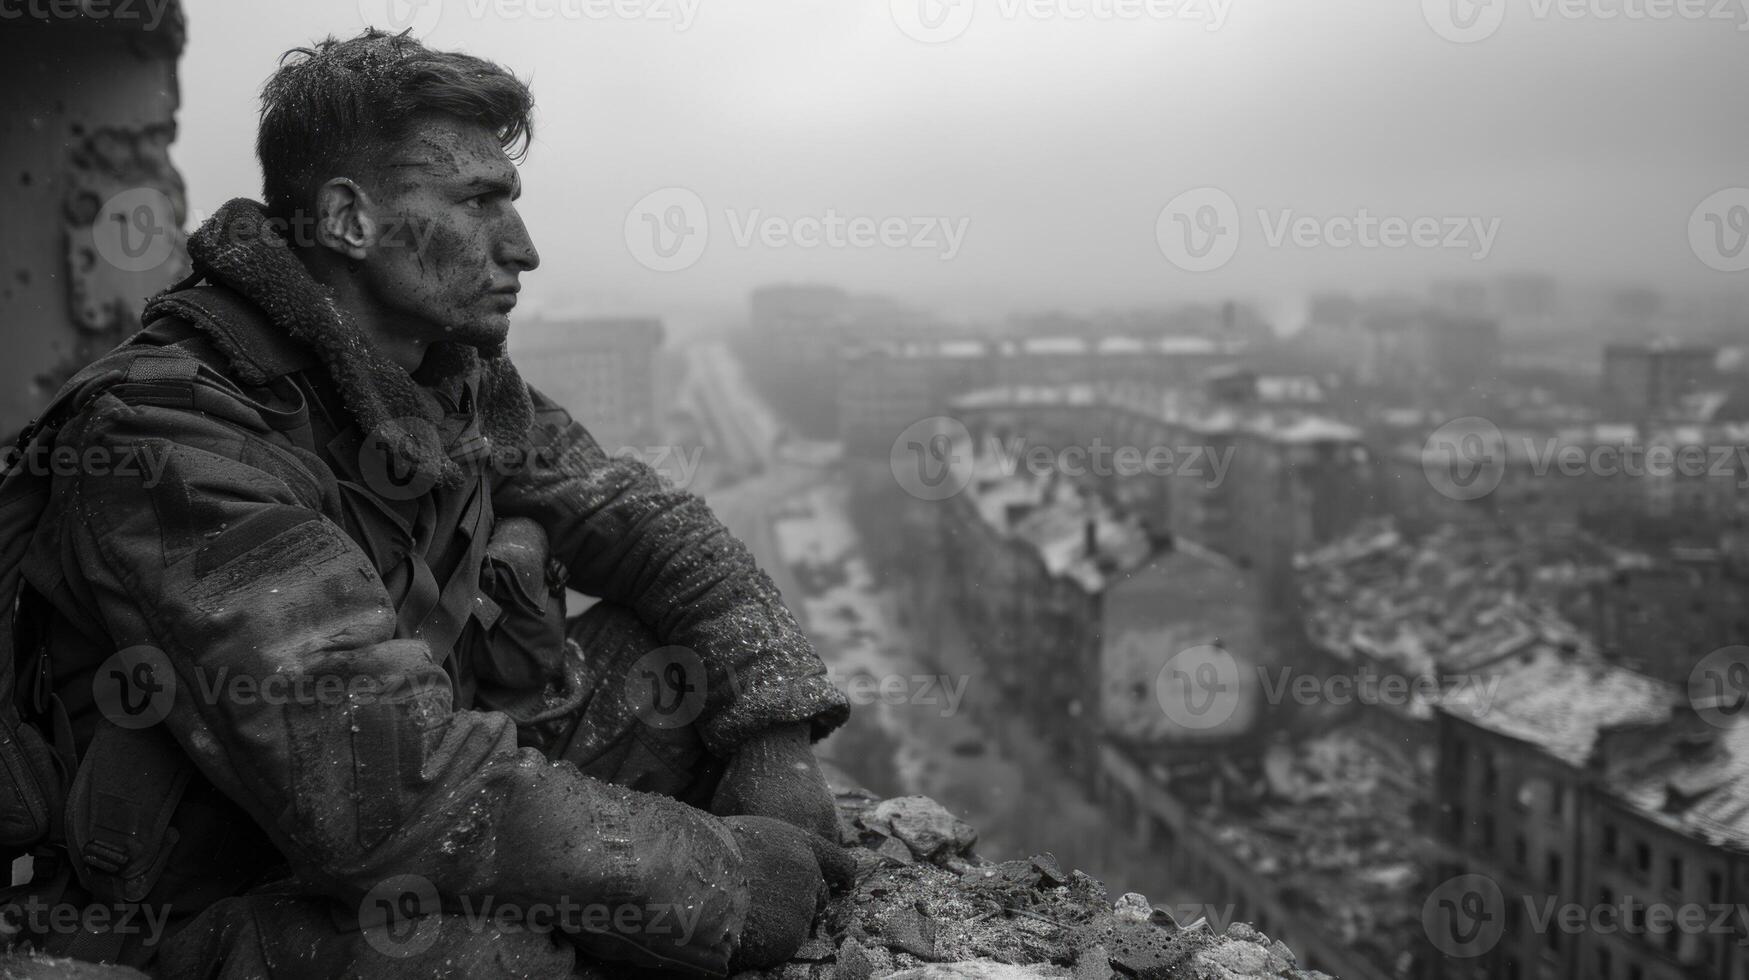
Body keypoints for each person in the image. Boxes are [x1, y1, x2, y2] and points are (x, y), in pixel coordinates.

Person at [4, 28, 852, 978]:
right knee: (485, 963)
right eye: (477, 203)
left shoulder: (449, 381)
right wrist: (729, 880)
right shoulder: (177, 437)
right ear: (348, 220)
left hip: (344, 844)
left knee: (675, 673)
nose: (522, 249)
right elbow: (387, 794)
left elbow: (650, 527)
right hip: (175, 912)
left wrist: (773, 730)